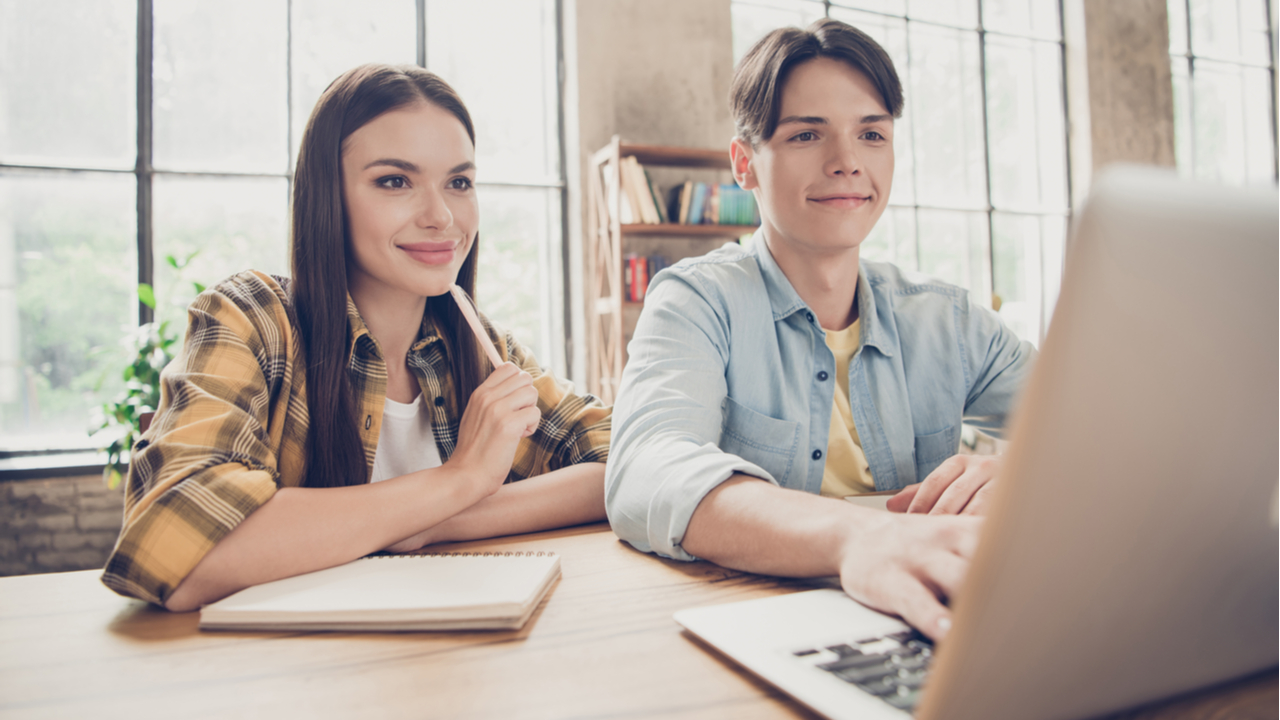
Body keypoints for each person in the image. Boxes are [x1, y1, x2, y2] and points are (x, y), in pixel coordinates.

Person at [102, 64, 611, 611]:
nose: (442, 216)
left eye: (459, 182)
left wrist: (440, 520)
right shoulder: (253, 318)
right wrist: (456, 481)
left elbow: (627, 463)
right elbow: (175, 548)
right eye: (395, 181)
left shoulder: (479, 347)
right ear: (328, 196)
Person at [605, 19, 1035, 640]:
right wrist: (858, 538)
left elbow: (1108, 429)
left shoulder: (950, 321)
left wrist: (1025, 470)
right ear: (744, 164)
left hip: (932, 622)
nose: (847, 163)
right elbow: (647, 471)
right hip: (755, 626)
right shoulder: (695, 300)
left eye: (872, 134)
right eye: (808, 134)